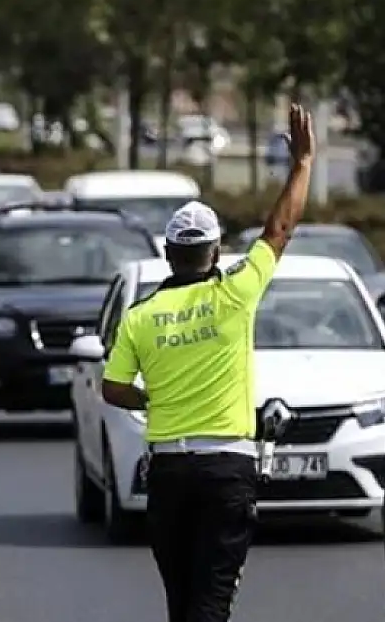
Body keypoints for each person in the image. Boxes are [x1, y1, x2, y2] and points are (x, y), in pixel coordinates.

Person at [100, 104, 314, 622]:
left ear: (169, 254)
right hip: (227, 471)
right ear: (216, 253)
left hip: (169, 473)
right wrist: (302, 164)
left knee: (183, 603)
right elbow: (279, 229)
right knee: (211, 604)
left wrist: (152, 397)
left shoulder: (141, 316)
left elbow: (112, 388)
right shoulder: (236, 294)